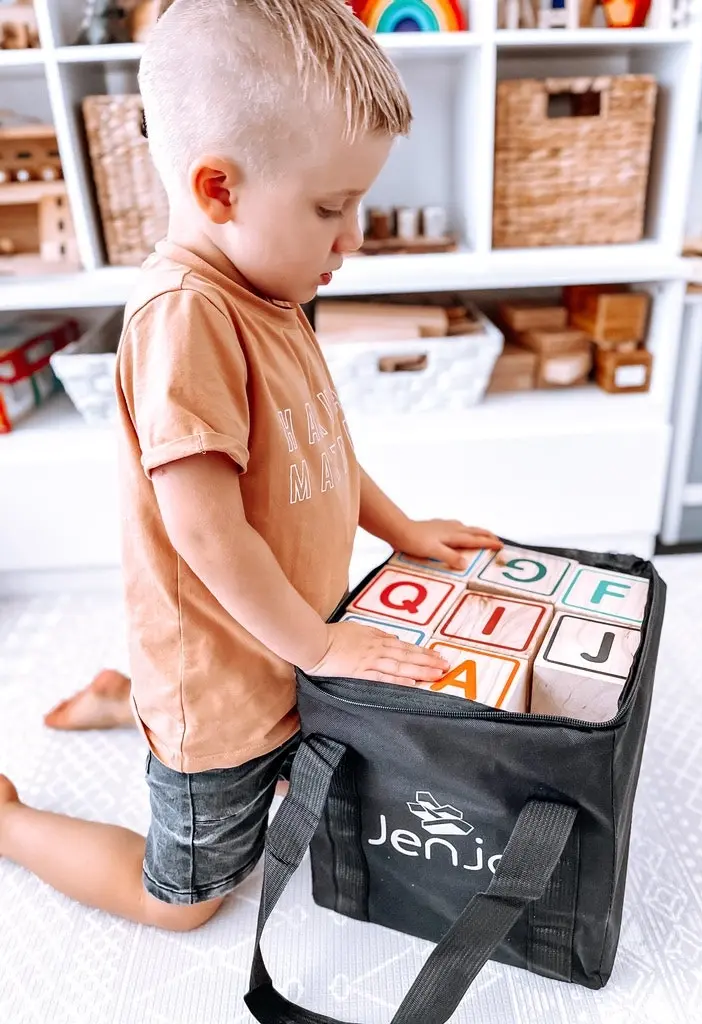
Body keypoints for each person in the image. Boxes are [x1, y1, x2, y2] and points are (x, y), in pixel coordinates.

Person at [0, 0, 501, 934]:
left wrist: (401, 530)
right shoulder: (186, 317)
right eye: (329, 208)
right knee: (183, 901)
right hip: (226, 693)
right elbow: (203, 527)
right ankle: (13, 819)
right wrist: (315, 647)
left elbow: (323, 451)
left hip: (281, 645)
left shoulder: (272, 289)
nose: (353, 238)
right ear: (219, 189)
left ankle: (120, 694)